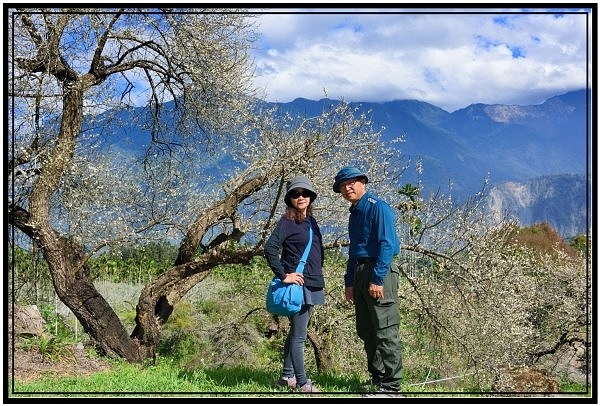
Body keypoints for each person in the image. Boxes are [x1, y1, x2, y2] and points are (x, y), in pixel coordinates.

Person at [332, 166, 403, 395]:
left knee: (385, 329)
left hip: (379, 270)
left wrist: (378, 278)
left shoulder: (378, 208)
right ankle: (378, 378)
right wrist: (349, 283)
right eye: (343, 185)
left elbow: (387, 244)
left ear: (363, 182)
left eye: (352, 182)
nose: (348, 188)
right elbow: (354, 250)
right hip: (361, 271)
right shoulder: (355, 213)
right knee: (367, 329)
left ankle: (392, 387)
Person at [264, 175, 325, 393]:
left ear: (311, 197)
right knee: (299, 335)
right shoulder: (287, 222)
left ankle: (286, 377)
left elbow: (317, 251)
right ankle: (302, 382)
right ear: (290, 198)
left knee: (295, 332)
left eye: (305, 193)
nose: (301, 197)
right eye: (296, 194)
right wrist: (284, 276)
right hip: (299, 285)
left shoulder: (312, 221)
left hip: (313, 283)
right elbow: (269, 248)